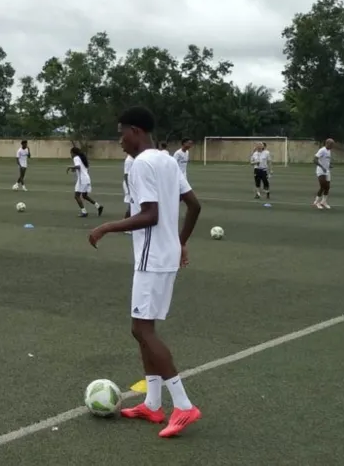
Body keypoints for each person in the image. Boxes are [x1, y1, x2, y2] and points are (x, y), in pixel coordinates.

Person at [89, 106, 202, 438]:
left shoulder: (141, 164)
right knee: (142, 328)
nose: (119, 140)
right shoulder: (167, 160)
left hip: (151, 259)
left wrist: (107, 226)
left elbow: (150, 215)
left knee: (143, 331)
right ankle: (153, 405)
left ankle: (183, 405)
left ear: (136, 131)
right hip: (164, 256)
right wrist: (180, 242)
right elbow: (194, 205)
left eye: (121, 132)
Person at [66, 146, 103, 217]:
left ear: (73, 153)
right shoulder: (82, 158)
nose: (71, 155)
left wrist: (70, 167)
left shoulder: (76, 158)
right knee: (84, 196)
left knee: (76, 196)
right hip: (86, 179)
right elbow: (83, 169)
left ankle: (84, 212)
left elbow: (78, 167)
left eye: (71, 153)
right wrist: (74, 169)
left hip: (82, 180)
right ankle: (98, 206)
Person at [313, 138, 334, 209]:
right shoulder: (322, 150)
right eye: (331, 144)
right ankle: (316, 202)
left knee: (327, 187)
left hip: (327, 171)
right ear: (327, 143)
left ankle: (323, 202)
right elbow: (315, 160)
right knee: (323, 186)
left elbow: (327, 160)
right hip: (321, 171)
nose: (332, 146)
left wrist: (329, 165)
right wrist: (322, 167)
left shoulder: (329, 151)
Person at [122, 154, 134, 234]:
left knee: (133, 205)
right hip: (129, 184)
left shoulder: (134, 158)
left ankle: (125, 223)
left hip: (133, 184)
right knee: (131, 204)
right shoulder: (129, 160)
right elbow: (126, 175)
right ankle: (125, 226)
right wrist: (129, 188)